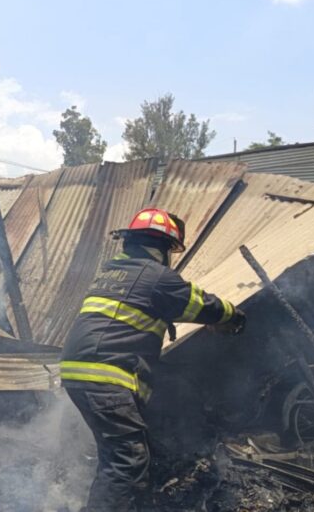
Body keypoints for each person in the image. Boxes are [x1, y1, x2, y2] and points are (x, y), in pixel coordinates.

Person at [59, 208, 246, 511]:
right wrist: (234, 314)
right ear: (164, 248)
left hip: (82, 370)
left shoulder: (111, 274)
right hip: (105, 374)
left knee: (120, 456)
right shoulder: (156, 276)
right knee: (127, 461)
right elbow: (200, 303)